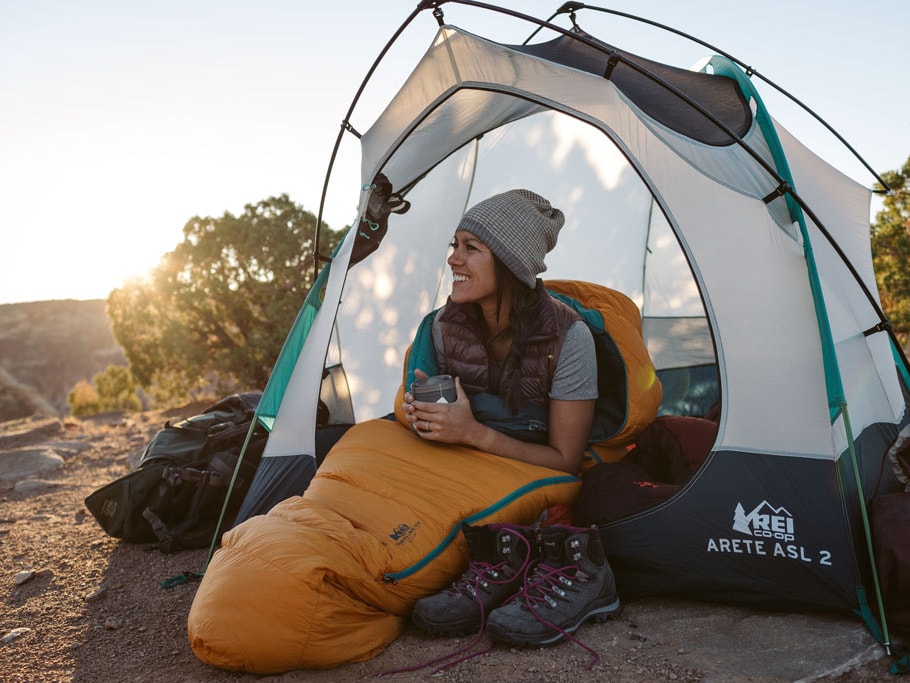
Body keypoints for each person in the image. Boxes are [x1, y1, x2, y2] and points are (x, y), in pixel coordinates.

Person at [402, 188, 598, 475]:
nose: (453, 259)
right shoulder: (443, 326)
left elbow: (566, 460)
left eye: (471, 248)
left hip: (527, 477)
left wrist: (473, 433)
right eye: (454, 245)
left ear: (511, 264)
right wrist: (424, 414)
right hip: (457, 466)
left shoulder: (570, 339)